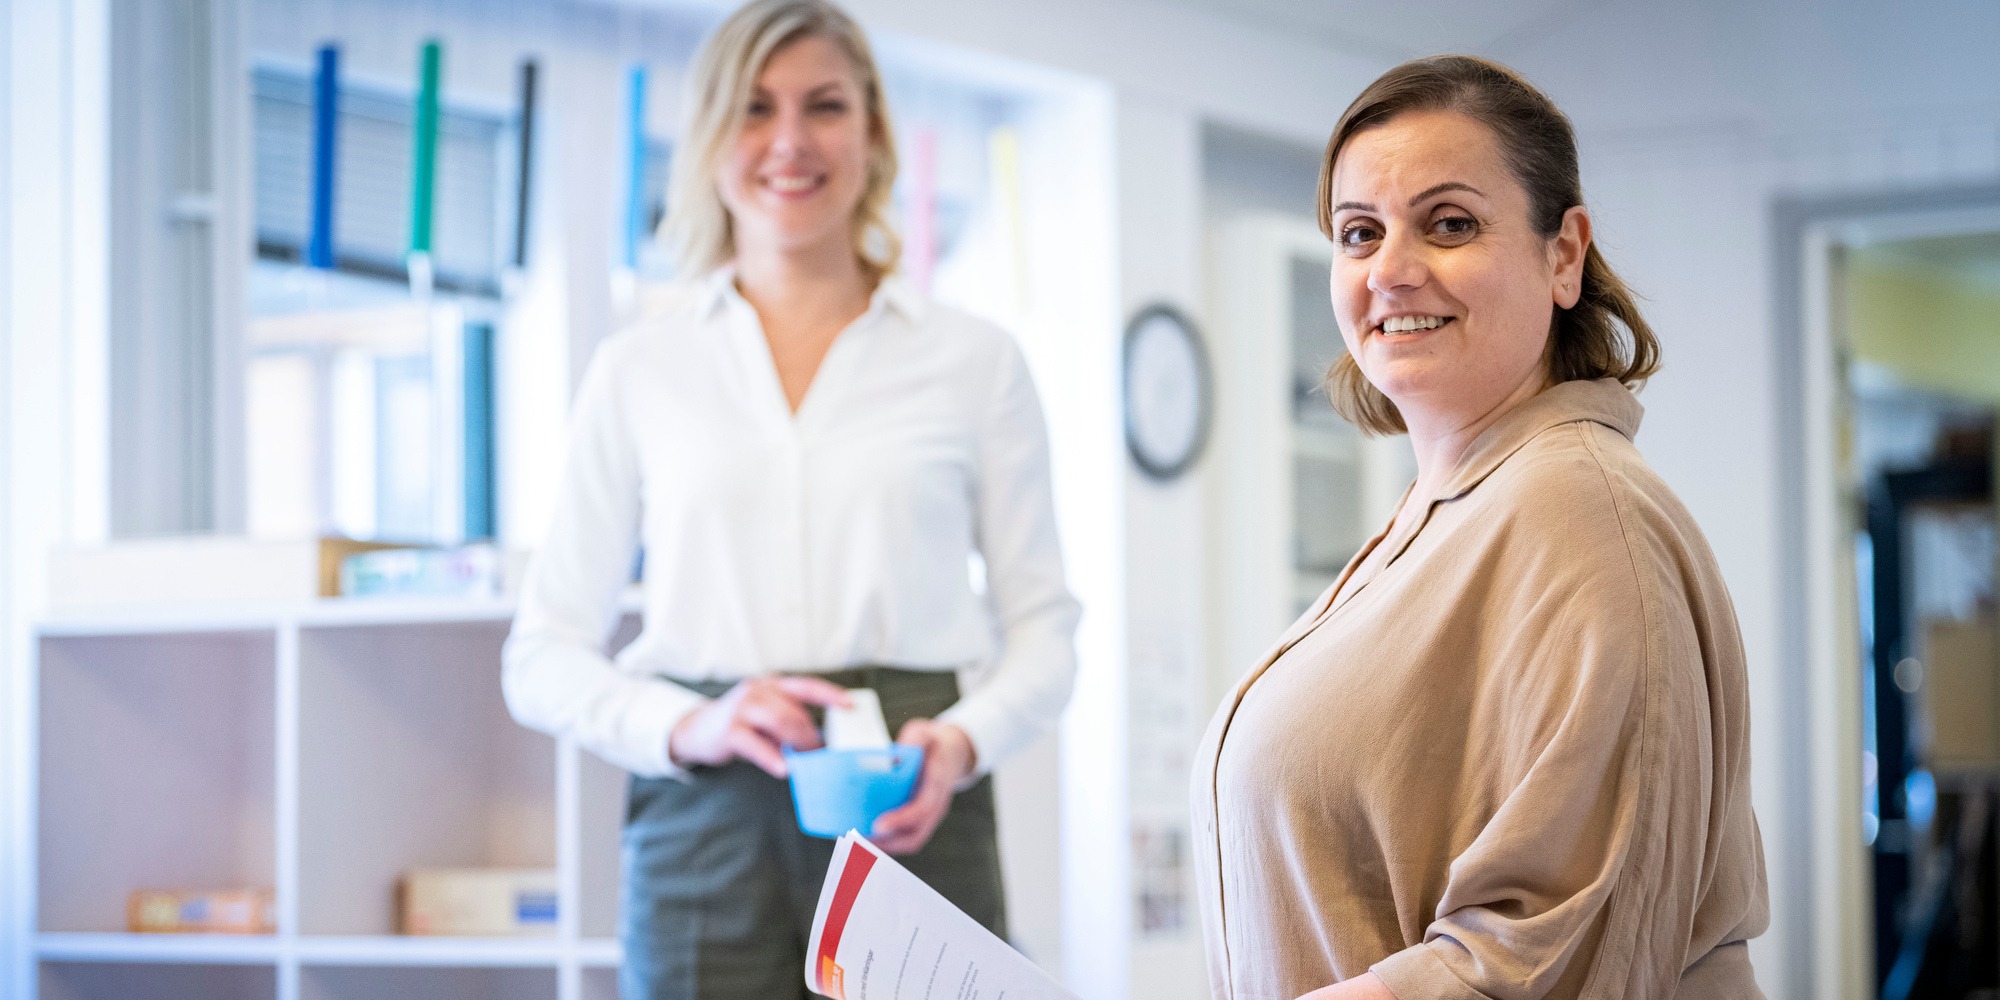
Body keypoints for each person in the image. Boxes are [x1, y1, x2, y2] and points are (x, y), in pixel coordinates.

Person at [501, 3, 1080, 997]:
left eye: (824, 106)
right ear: (711, 140)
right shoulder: (639, 369)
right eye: (754, 108)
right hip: (704, 813)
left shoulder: (973, 362)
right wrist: (690, 726)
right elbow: (540, 656)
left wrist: (961, 739)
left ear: (872, 135)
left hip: (915, 798)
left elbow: (1045, 633)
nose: (790, 141)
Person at [1190, 56, 1769, 1000]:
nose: (1392, 270)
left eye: (1449, 223)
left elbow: (1550, 954)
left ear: (1563, 254)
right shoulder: (1448, 513)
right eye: (1358, 233)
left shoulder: (1581, 511)